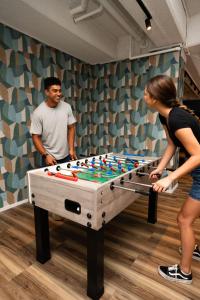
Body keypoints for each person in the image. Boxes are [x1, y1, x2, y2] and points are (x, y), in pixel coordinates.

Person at [144, 74, 200, 284]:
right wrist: (160, 169)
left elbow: (198, 155)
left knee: (184, 220)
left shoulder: (177, 118)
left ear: (155, 98)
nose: (144, 95)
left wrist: (170, 179)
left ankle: (184, 272)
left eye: (146, 93)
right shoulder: (165, 117)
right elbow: (172, 145)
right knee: (192, 217)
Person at [30, 77, 77, 166]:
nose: (59, 94)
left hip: (66, 156)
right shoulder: (38, 113)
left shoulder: (67, 107)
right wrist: (45, 155)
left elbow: (71, 128)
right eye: (55, 91)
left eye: (60, 91)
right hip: (50, 158)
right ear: (47, 92)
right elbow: (35, 137)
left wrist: (71, 149)